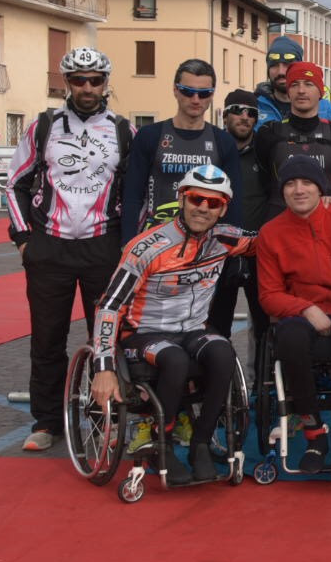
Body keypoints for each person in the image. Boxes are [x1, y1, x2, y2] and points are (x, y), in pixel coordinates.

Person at [87, 166, 254, 484]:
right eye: (196, 198)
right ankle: (161, 447)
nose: (203, 208)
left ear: (223, 209)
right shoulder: (145, 247)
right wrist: (104, 367)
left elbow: (274, 241)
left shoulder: (226, 240)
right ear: (181, 198)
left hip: (193, 329)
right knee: (174, 360)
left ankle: (201, 445)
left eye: (213, 203)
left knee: (223, 353)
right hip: (143, 333)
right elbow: (109, 305)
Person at [8, 46, 134, 452]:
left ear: (105, 84)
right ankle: (46, 422)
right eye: (78, 80)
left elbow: (136, 191)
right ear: (66, 83)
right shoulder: (43, 126)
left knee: (106, 338)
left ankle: (102, 417)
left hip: (102, 247)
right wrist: (25, 239)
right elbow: (15, 183)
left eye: (95, 80)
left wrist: (127, 243)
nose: (86, 87)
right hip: (50, 248)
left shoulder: (122, 130)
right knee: (47, 338)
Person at [255, 157, 331, 475]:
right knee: (290, 338)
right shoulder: (270, 233)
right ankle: (313, 432)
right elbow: (269, 295)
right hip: (302, 311)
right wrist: (306, 308)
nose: (299, 190)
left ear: (320, 187)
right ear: (281, 191)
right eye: (290, 184)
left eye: (307, 183)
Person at [121, 58, 242, 244]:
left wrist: (231, 247)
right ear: (175, 90)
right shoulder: (150, 136)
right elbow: (132, 197)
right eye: (188, 92)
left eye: (203, 94)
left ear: (212, 95)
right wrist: (126, 244)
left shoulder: (223, 141)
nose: (195, 100)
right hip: (155, 242)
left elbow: (233, 202)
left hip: (205, 245)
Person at [254, 60, 331, 220]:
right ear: (288, 91)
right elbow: (264, 184)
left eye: (309, 84)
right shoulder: (269, 132)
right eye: (294, 84)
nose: (301, 90)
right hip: (281, 226)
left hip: (328, 226)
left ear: (320, 92)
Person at [207, 88, 267, 343]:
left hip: (257, 249)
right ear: (224, 115)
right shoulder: (211, 150)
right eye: (237, 111)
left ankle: (265, 382)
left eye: (251, 113)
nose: (244, 117)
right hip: (219, 249)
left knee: (265, 326)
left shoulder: (265, 152)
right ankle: (219, 380)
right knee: (216, 326)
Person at [255, 35, 331, 128]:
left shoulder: (324, 108)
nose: (280, 71)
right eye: (274, 65)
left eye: (287, 65)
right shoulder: (256, 106)